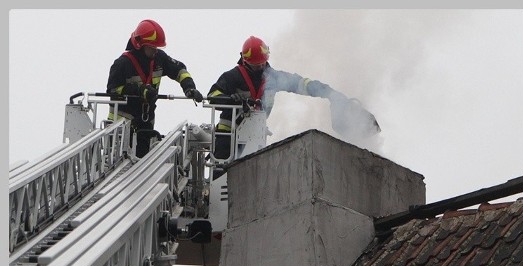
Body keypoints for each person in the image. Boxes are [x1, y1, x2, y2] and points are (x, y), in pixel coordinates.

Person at [207, 36, 379, 160]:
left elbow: (300, 83)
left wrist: (329, 93)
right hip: (228, 134)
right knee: (221, 173)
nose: (260, 68)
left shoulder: (273, 78)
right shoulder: (232, 77)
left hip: (255, 135)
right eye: (256, 65)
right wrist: (231, 99)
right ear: (245, 61)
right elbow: (212, 95)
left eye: (262, 64)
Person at [106, 19, 204, 158]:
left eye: (157, 47)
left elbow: (179, 70)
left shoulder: (158, 59)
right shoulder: (122, 64)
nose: (155, 50)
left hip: (146, 122)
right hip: (121, 126)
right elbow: (113, 90)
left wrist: (189, 88)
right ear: (140, 45)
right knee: (120, 162)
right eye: (152, 47)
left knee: (143, 162)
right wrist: (139, 91)